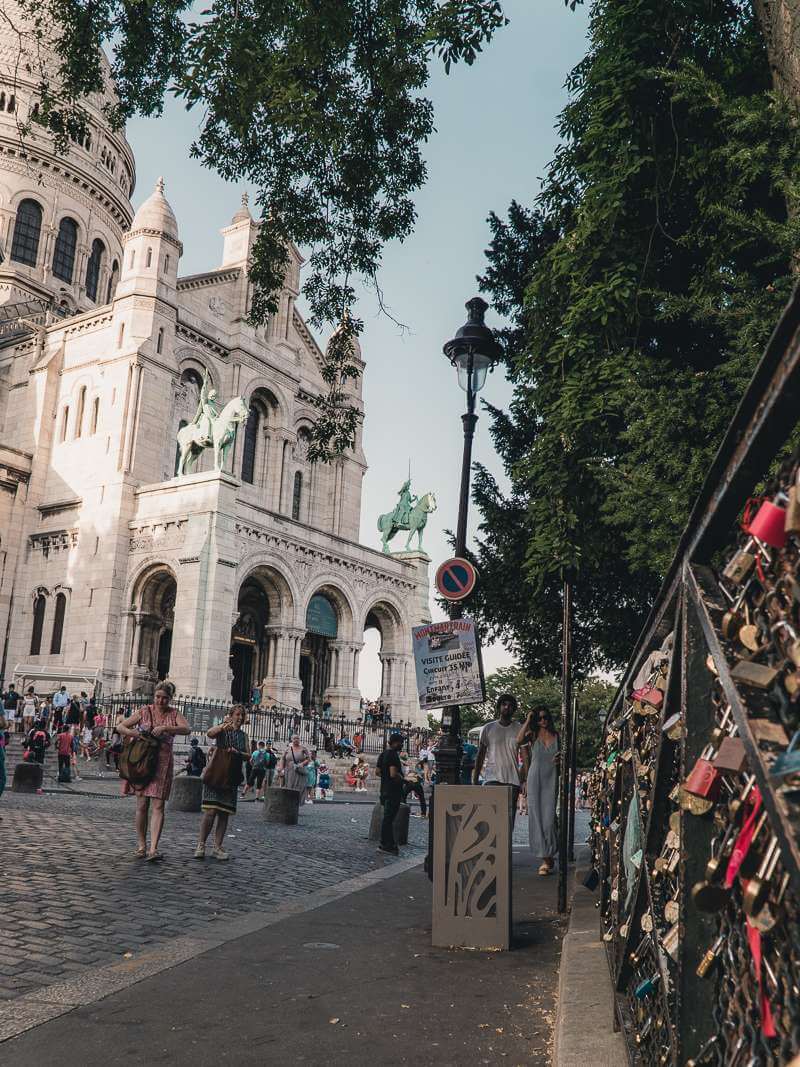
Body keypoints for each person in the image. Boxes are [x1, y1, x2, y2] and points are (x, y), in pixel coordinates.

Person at [117, 683, 190, 861]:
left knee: (158, 806)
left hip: (162, 763)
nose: (160, 700)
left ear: (170, 698)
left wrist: (167, 728)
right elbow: (121, 727)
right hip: (142, 762)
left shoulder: (174, 713)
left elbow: (187, 728)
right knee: (142, 805)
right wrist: (134, 733)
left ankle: (153, 848)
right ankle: (142, 845)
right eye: (158, 696)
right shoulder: (144, 711)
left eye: (164, 697)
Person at [195, 705, 250, 861]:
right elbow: (210, 733)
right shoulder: (223, 729)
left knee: (224, 813)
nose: (240, 717)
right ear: (231, 715)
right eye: (237, 714)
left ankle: (217, 847)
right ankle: (201, 844)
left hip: (232, 775)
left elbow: (248, 755)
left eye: (242, 715)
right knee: (210, 812)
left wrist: (237, 753)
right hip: (217, 773)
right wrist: (221, 726)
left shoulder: (244, 735)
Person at [518, 707, 560, 875]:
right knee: (536, 817)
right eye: (539, 718)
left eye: (545, 717)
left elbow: (566, 755)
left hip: (551, 778)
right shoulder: (532, 735)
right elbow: (518, 739)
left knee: (549, 819)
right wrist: (528, 720)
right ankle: (545, 858)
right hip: (535, 778)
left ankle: (549, 854)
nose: (543, 721)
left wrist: (560, 759)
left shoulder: (558, 736)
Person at [473, 694, 523, 827]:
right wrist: (475, 779)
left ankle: (506, 847)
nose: (507, 707)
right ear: (499, 707)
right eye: (504, 704)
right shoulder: (488, 728)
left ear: (514, 709)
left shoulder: (519, 728)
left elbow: (526, 755)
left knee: (508, 822)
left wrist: (525, 780)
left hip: (512, 780)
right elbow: (480, 755)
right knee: (490, 819)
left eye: (510, 705)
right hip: (491, 779)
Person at [376, 733, 405, 855]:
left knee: (387, 818)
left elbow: (378, 772)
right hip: (393, 791)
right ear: (395, 742)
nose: (402, 745)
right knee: (389, 819)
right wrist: (404, 778)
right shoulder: (393, 755)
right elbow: (393, 774)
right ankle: (387, 845)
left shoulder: (383, 754)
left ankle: (388, 844)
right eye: (401, 742)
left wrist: (386, 777)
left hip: (384, 790)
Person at [278, 734, 311, 803]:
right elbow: (283, 758)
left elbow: (308, 759)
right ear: (291, 740)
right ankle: (288, 803)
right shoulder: (288, 749)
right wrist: (281, 767)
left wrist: (302, 763)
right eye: (294, 738)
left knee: (299, 787)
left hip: (298, 770)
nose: (296, 740)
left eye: (297, 738)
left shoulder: (303, 748)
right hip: (289, 771)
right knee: (289, 786)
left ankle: (296, 803)